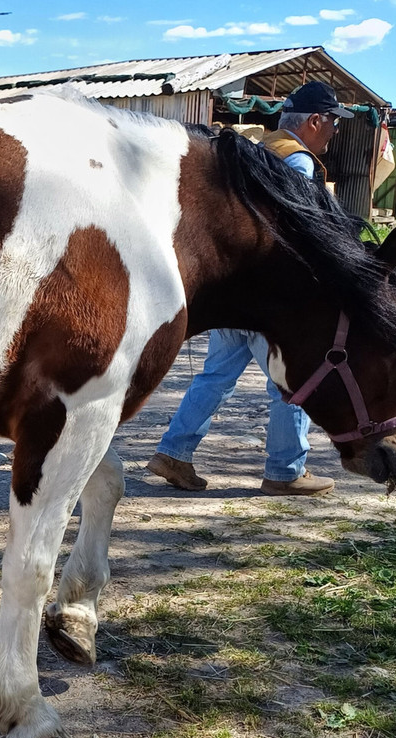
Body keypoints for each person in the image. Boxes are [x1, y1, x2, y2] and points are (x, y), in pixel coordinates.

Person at [148, 81, 353, 496]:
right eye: (333, 122)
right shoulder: (298, 162)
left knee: (214, 377)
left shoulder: (259, 150)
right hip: (268, 298)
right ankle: (285, 470)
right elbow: (294, 233)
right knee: (291, 384)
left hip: (235, 292)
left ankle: (174, 452)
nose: (335, 131)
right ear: (315, 121)